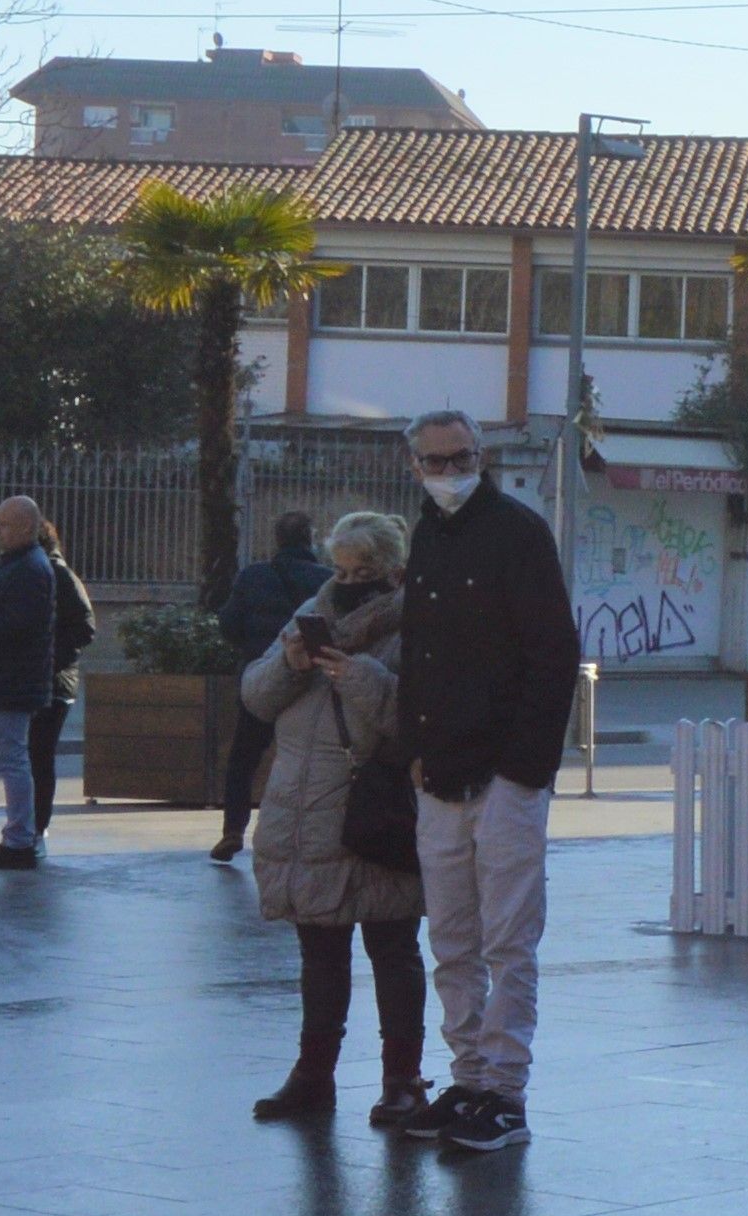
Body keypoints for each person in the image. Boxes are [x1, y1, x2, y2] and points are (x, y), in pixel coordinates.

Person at [389, 413, 575, 1157]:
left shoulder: (519, 532)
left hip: (503, 774)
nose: (448, 469)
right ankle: (466, 1078)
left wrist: (524, 768)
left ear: (482, 455)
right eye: (435, 460)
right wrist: (413, 748)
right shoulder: (428, 532)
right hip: (440, 770)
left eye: (460, 456)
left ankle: (505, 1092)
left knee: (508, 941)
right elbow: (421, 652)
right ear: (414, 465)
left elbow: (552, 652)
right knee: (454, 939)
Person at [240, 509, 429, 1127]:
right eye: (342, 567)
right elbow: (256, 697)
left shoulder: (416, 626)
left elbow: (416, 724)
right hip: (303, 810)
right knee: (319, 958)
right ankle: (312, 1077)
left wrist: (365, 677)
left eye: (365, 569)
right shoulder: (309, 616)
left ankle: (403, 1081)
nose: (350, 580)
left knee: (393, 951)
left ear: (395, 571)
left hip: (372, 813)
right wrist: (289, 664)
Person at [0, 492, 98, 870]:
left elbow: (18, 626)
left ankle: (21, 839)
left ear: (25, 527)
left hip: (14, 679)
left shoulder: (31, 569)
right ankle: (22, 836)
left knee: (17, 759)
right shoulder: (15, 565)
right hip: (9, 678)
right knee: (14, 758)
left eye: (2, 524)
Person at [205, 512, 322, 861]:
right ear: (310, 539)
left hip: (262, 680)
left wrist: (254, 649)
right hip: (307, 683)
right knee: (304, 760)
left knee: (244, 756)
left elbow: (228, 624)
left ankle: (233, 830)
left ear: (277, 539)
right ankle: (302, 835)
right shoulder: (325, 581)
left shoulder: (253, 576)